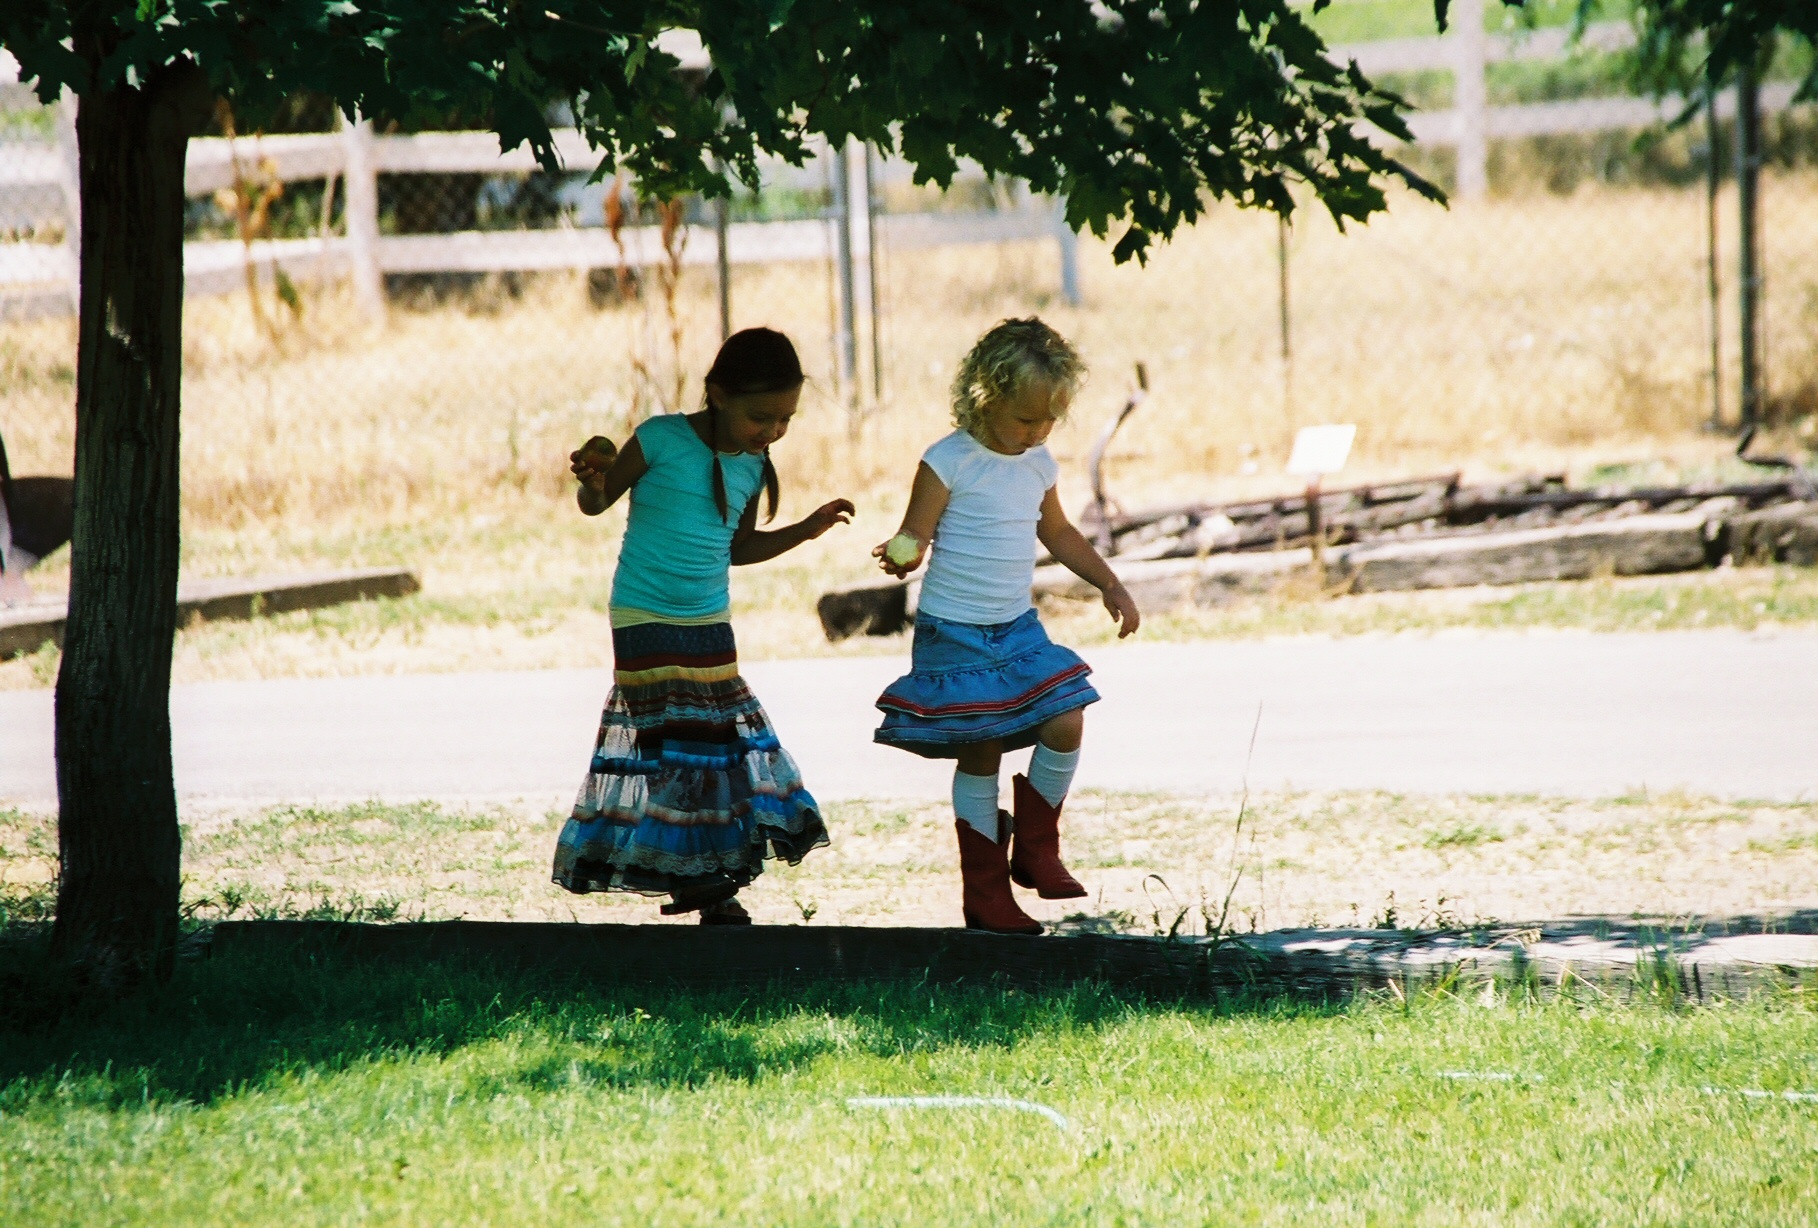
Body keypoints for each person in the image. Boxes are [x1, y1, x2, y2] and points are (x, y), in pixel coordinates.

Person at [554, 327, 853, 924]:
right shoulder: (661, 438)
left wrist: (804, 529)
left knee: (710, 748)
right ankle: (700, 885)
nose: (772, 432)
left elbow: (737, 549)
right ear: (717, 394)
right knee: (675, 747)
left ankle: (697, 873)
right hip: (644, 616)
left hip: (709, 621)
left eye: (785, 420)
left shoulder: (752, 462)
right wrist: (592, 478)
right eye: (760, 417)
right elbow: (597, 503)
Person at [872, 317, 1139, 934]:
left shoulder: (1038, 463)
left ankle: (1037, 849)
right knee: (981, 748)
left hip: (1016, 628)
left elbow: (1060, 531)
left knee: (1067, 715)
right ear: (985, 399)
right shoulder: (949, 460)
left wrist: (1109, 581)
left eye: (1049, 420)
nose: (1039, 431)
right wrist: (903, 547)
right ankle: (986, 896)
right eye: (1025, 420)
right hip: (955, 633)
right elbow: (919, 529)